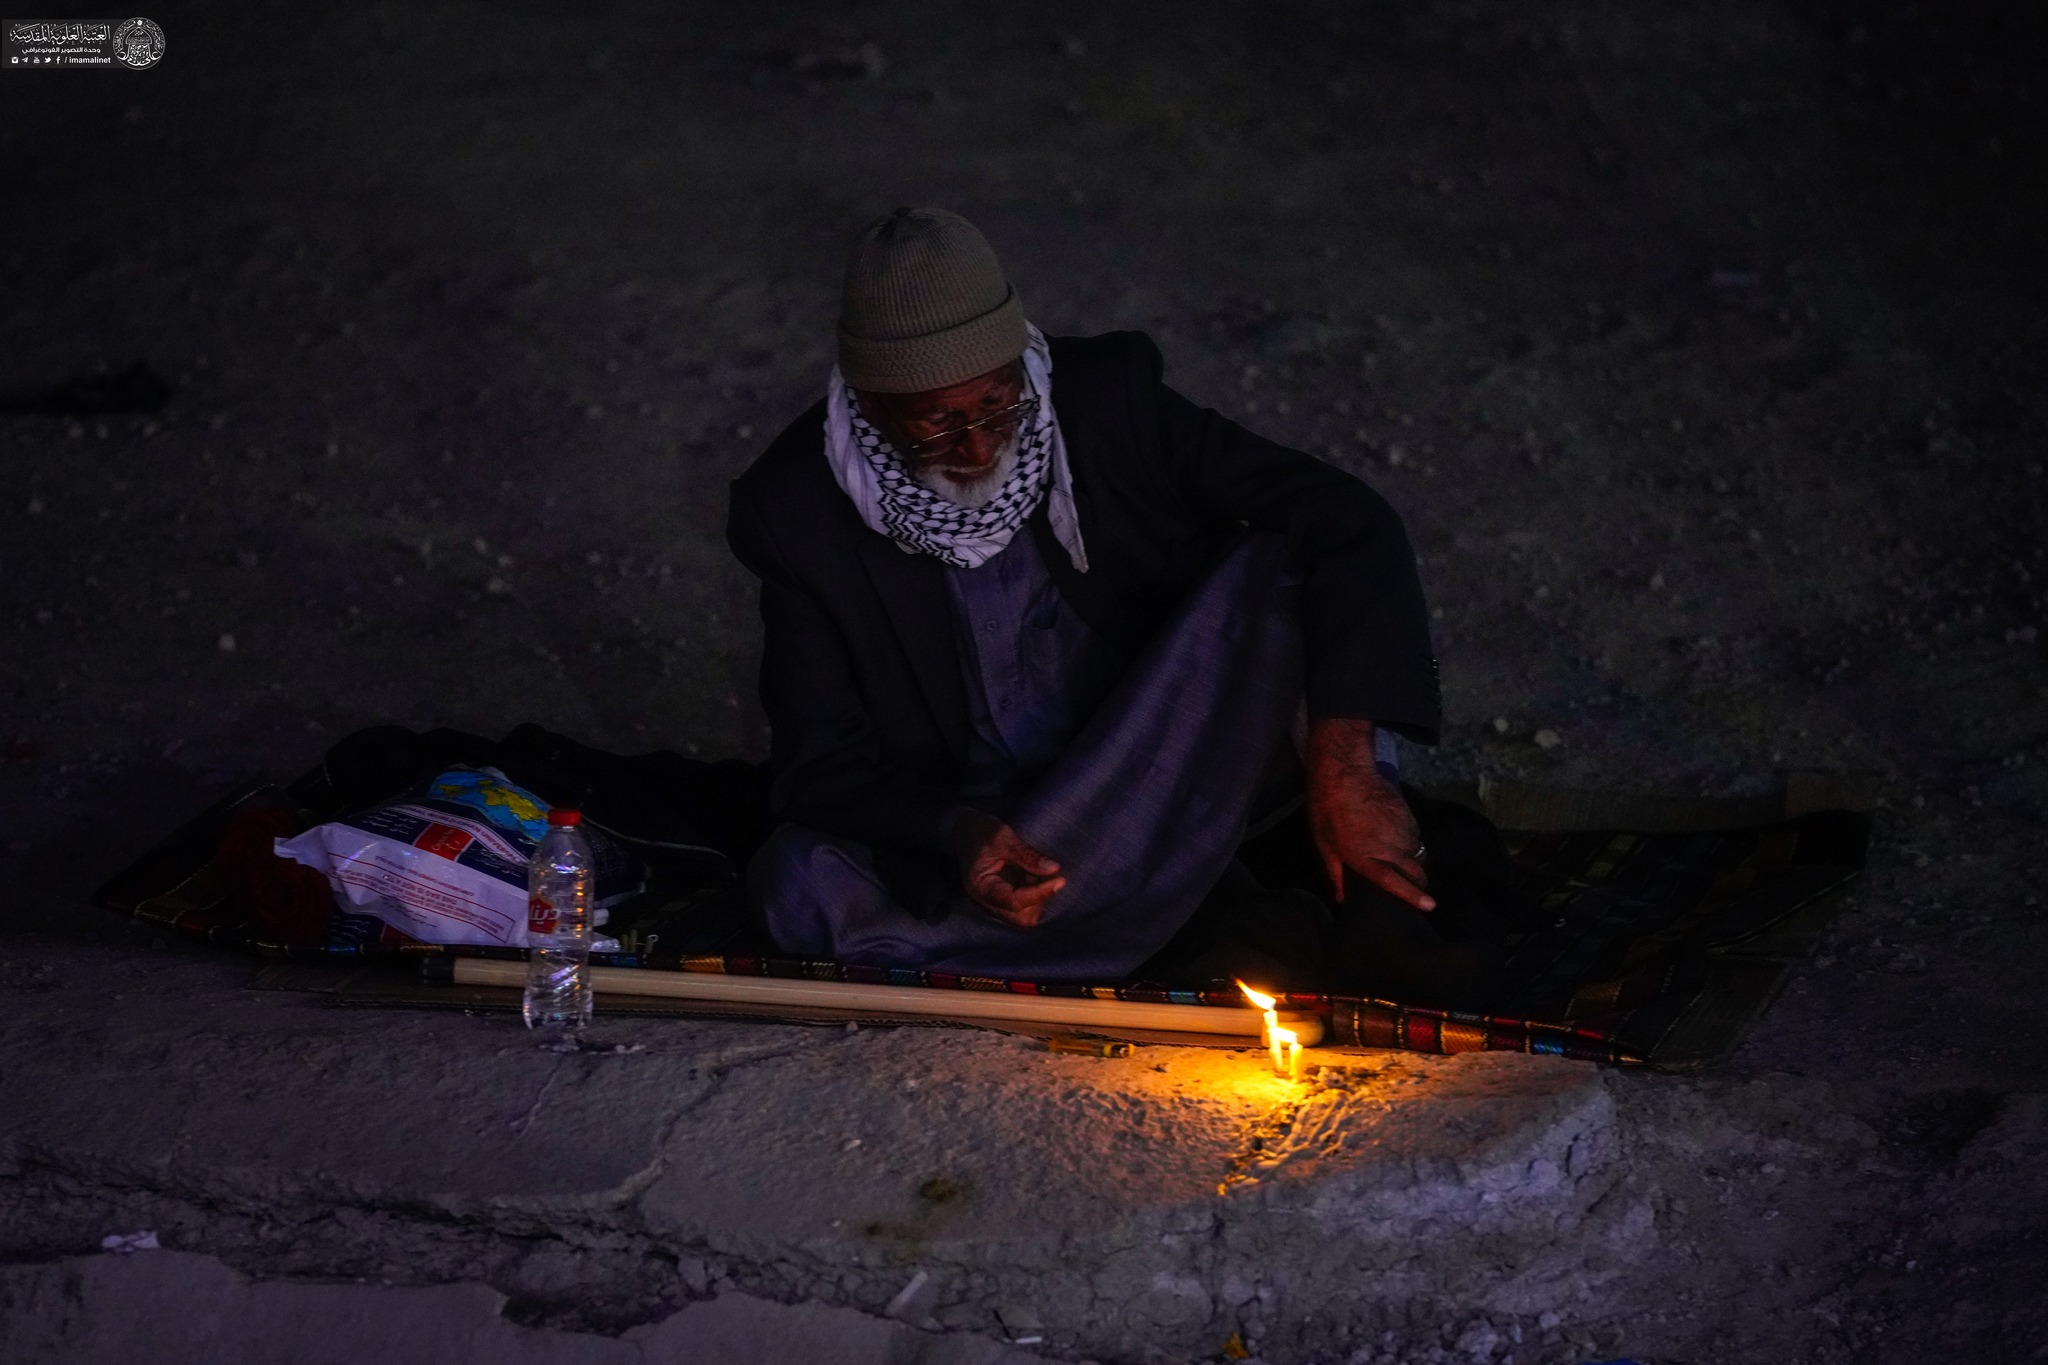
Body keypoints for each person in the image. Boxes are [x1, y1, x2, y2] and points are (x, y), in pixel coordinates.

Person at [727, 207, 1492, 995]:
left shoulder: (1102, 399)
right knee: (798, 886)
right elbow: (819, 765)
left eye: (998, 404)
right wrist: (957, 832)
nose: (981, 447)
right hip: (1017, 831)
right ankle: (1170, 910)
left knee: (1278, 572)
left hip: (1159, 755)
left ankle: (1253, 885)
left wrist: (1345, 768)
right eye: (937, 425)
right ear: (875, 405)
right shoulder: (795, 511)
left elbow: (1344, 517)